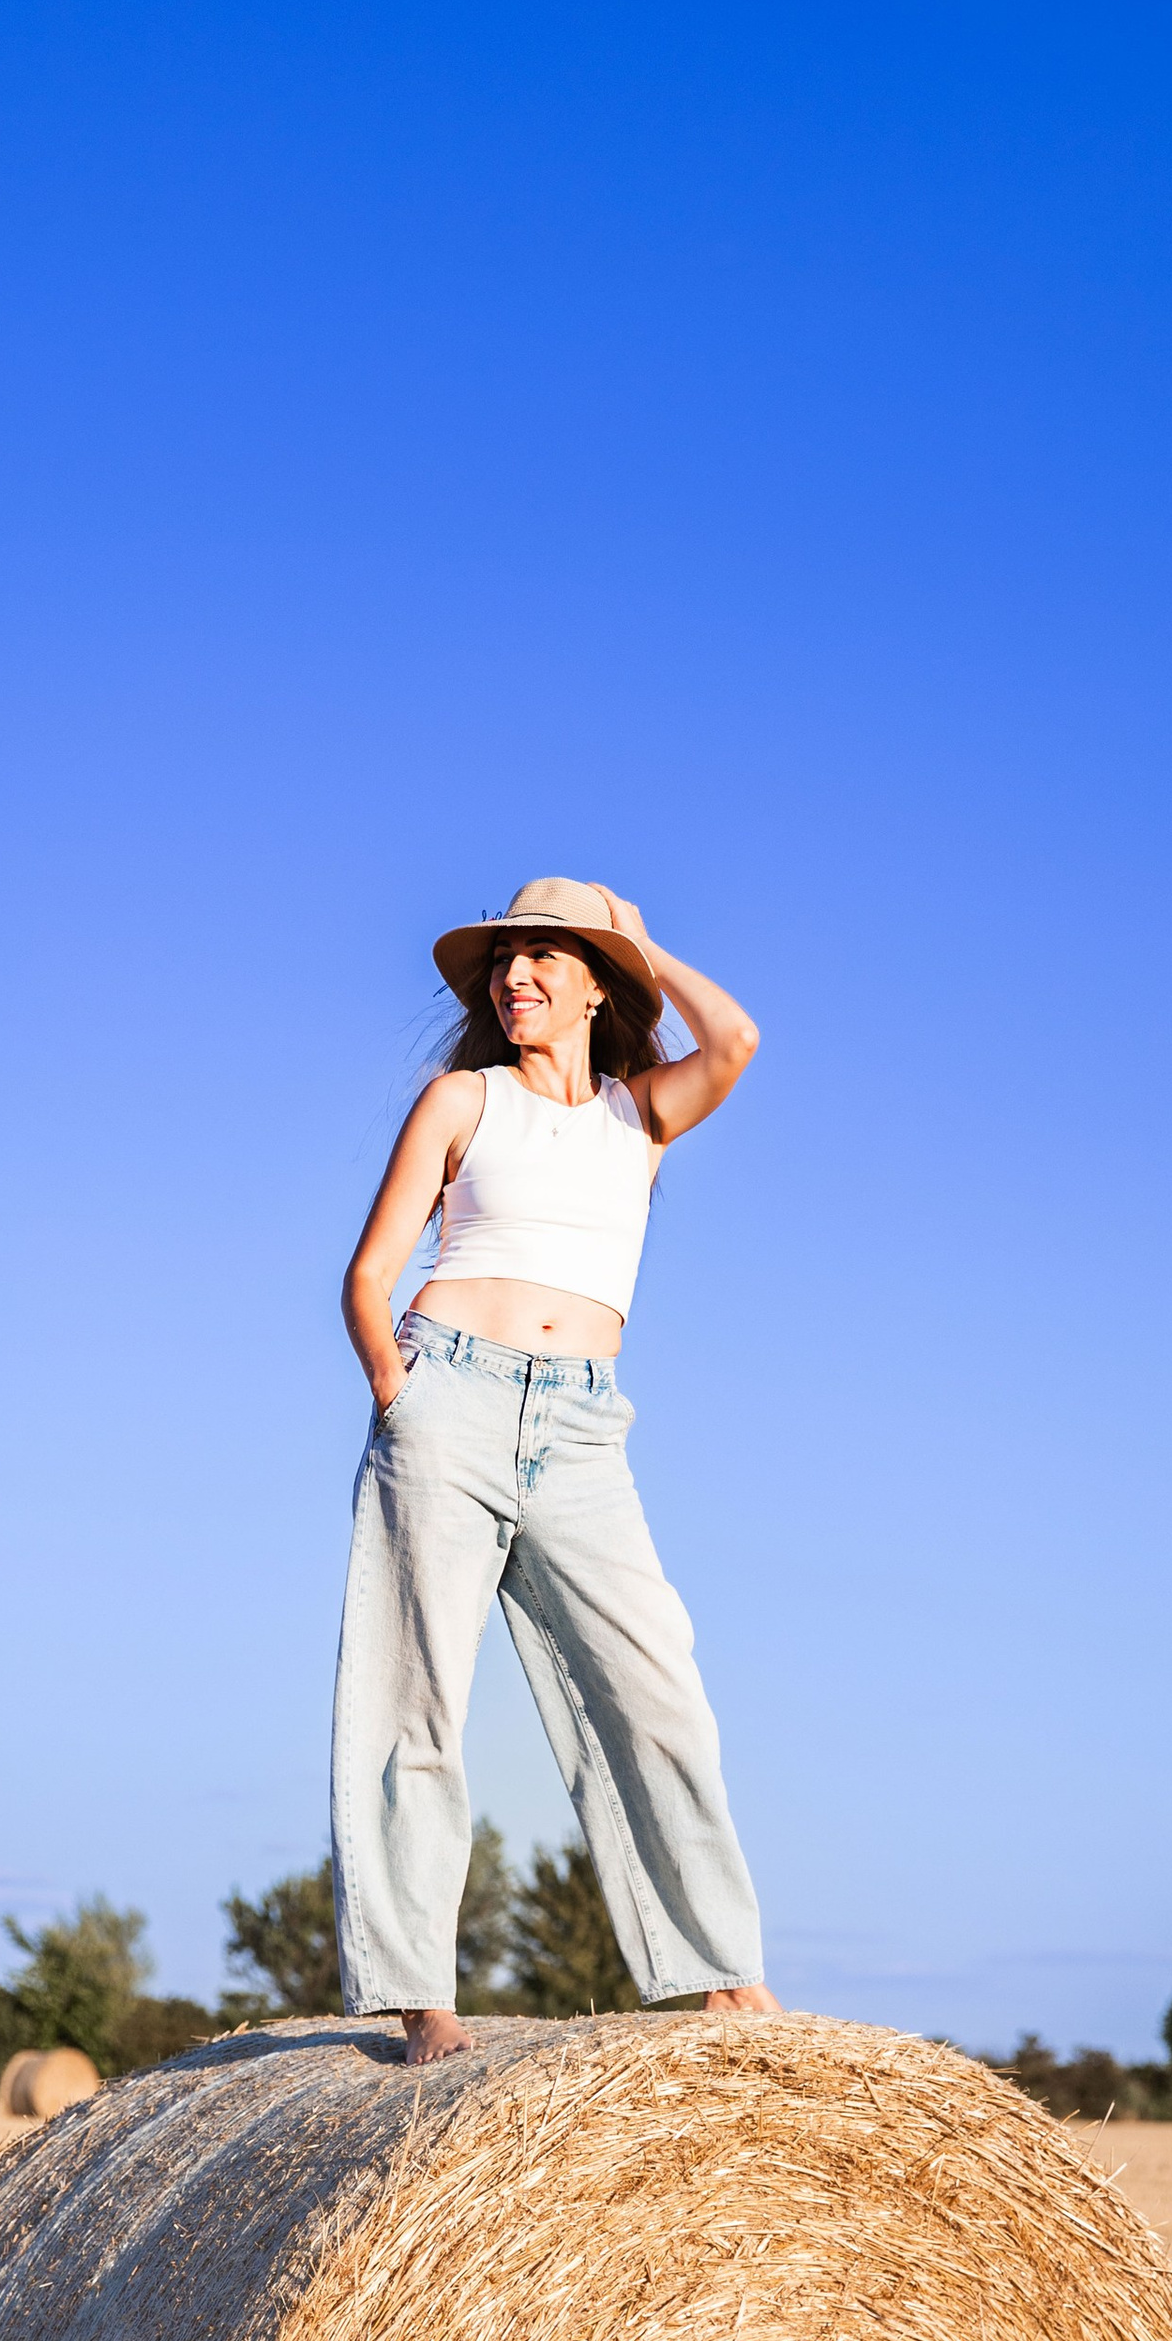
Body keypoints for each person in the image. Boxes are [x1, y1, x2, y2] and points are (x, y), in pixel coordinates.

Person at [334, 875, 785, 2067]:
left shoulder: (639, 1117)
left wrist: (646, 941)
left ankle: (721, 1974)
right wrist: (403, 1395)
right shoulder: (462, 1099)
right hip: (452, 1400)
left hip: (585, 1427)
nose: (514, 977)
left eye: (545, 958)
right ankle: (418, 1990)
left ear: (597, 984)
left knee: (657, 1688)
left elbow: (734, 1039)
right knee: (413, 1697)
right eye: (504, 961)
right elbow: (369, 1272)